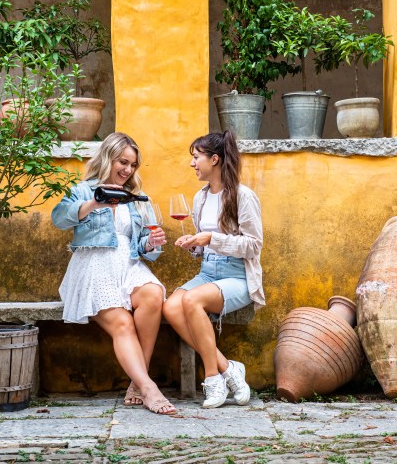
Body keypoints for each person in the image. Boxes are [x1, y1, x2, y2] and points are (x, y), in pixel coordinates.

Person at [51, 132, 175, 415]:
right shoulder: (83, 190)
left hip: (128, 266)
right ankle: (148, 388)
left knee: (153, 295)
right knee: (123, 323)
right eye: (123, 162)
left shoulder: (137, 198)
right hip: (93, 266)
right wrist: (95, 203)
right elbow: (59, 218)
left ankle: (137, 382)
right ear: (108, 158)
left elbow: (142, 246)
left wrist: (151, 243)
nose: (128, 170)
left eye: (133, 165)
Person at [164, 130, 263, 408]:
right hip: (208, 272)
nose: (192, 163)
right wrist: (194, 245)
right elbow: (204, 246)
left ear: (215, 159)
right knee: (170, 307)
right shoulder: (201, 198)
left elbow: (254, 245)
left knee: (191, 300)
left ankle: (212, 378)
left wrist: (211, 239)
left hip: (237, 275)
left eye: (196, 157)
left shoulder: (243, 196)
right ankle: (229, 368)